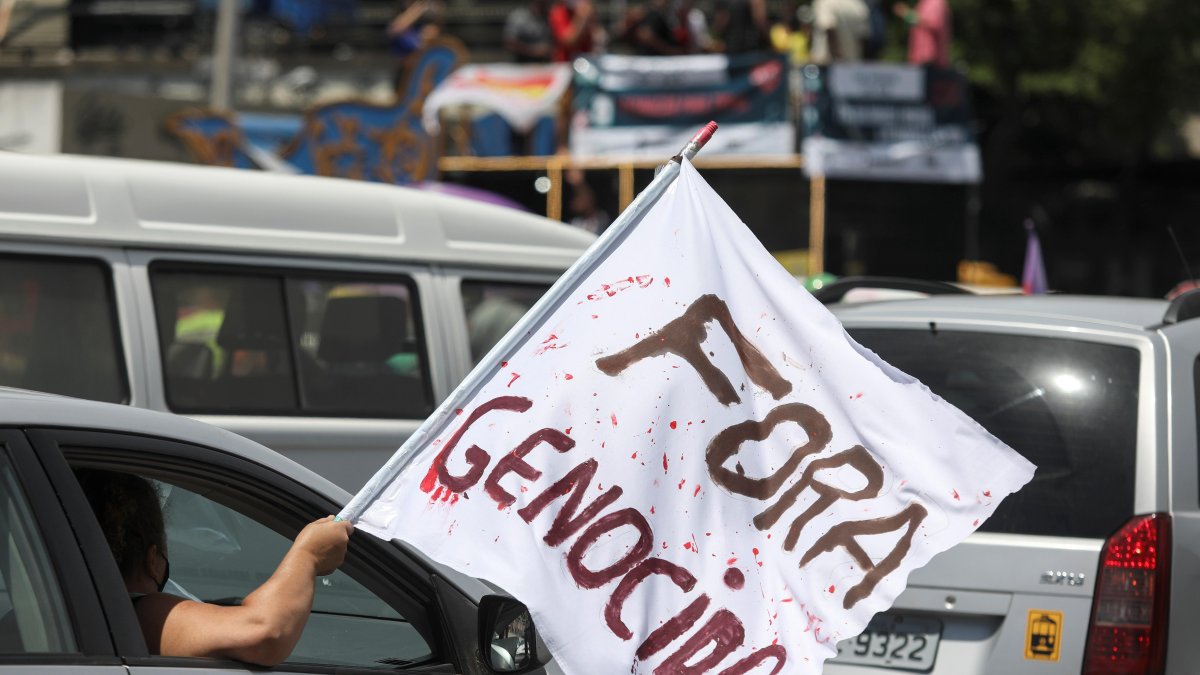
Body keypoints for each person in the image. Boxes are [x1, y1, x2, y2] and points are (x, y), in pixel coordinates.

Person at [76, 469, 353, 667]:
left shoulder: (71, 610)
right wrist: (308, 555)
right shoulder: (139, 614)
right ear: (153, 561)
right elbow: (265, 632)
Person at [893, 0, 951, 66]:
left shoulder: (935, 2)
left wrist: (906, 14)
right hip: (921, 59)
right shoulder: (925, 2)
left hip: (930, 59)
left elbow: (933, 24)